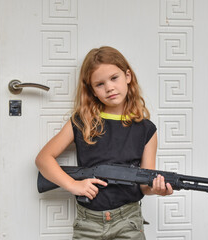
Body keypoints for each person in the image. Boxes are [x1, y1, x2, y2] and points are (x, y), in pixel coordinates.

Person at [35, 46, 173, 239]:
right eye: (100, 84)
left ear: (127, 76)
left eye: (114, 78)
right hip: (88, 222)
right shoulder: (82, 121)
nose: (109, 87)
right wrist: (74, 185)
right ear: (91, 90)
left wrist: (157, 189)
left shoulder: (146, 130)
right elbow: (43, 159)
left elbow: (144, 185)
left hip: (129, 221)